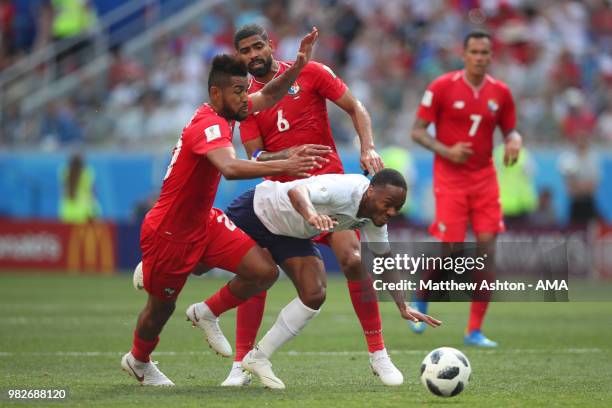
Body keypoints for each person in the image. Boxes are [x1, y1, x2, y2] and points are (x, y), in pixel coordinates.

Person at [121, 28, 326, 386]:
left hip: (205, 223)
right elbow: (231, 169)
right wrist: (285, 165)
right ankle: (138, 360)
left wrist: (298, 67)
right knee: (160, 310)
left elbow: (268, 95)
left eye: (246, 89)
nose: (247, 98)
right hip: (171, 233)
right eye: (239, 91)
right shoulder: (208, 124)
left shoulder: (229, 110)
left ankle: (206, 312)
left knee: (263, 272)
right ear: (216, 93)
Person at [222, 23, 395, 387]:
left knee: (352, 260)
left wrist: (368, 146)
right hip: (281, 197)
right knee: (257, 271)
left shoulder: (312, 73)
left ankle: (379, 354)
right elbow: (256, 154)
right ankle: (241, 363)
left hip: (329, 189)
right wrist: (288, 155)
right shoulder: (244, 100)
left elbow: (356, 107)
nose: (253, 55)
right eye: (245, 51)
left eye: (257, 47)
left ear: (270, 45)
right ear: (238, 56)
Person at [224, 169, 441, 388]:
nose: (393, 212)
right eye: (388, 203)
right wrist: (312, 216)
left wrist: (403, 305)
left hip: (290, 231)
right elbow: (297, 191)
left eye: (398, 207)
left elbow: (384, 259)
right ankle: (208, 321)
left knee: (316, 291)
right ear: (371, 191)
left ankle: (257, 357)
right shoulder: (344, 189)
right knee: (199, 264)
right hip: (259, 208)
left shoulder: (375, 218)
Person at [410, 31, 523, 347]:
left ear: (490, 56)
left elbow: (511, 129)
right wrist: (446, 150)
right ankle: (421, 296)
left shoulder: (501, 93)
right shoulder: (442, 87)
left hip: (485, 178)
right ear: (464, 54)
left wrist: (515, 141)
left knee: (487, 252)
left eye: (485, 52)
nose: (479, 57)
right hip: (450, 178)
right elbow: (416, 132)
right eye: (474, 51)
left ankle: (474, 330)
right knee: (451, 248)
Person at [58, 152, 99, 223]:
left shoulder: (64, 171)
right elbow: (93, 192)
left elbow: (63, 190)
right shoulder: (87, 172)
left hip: (67, 210)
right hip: (85, 210)